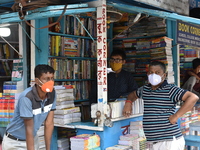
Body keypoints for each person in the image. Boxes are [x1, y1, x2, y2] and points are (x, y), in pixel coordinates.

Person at [123, 61, 199, 150]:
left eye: (157, 72)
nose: (153, 75)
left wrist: (176, 116)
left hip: (169, 141)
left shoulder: (170, 89)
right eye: (151, 72)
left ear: (165, 75)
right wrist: (128, 103)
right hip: (153, 142)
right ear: (147, 74)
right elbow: (132, 95)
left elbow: (193, 97)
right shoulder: (145, 89)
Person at [2, 64, 56, 150]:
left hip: (33, 140)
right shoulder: (27, 97)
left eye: (52, 78)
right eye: (46, 79)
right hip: (15, 142)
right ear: (37, 81)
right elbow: (29, 128)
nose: (50, 82)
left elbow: (49, 123)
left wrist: (48, 149)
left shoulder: (52, 94)